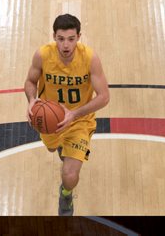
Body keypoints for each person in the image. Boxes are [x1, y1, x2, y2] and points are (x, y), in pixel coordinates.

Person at [24, 14, 110, 216]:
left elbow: (104, 97)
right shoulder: (42, 55)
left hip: (80, 120)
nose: (66, 45)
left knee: (69, 175)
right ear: (54, 36)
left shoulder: (90, 58)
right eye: (61, 38)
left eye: (71, 39)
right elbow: (30, 82)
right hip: (51, 120)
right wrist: (31, 100)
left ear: (79, 37)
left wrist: (74, 114)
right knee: (52, 149)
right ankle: (64, 147)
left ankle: (66, 194)